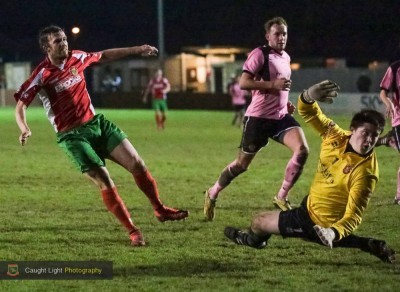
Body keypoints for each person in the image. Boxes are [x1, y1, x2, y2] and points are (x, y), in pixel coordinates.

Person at [14, 25, 189, 247]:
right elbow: (20, 105)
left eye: (65, 39)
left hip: (97, 125)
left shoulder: (77, 57)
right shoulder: (42, 74)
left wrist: (138, 49)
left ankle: (160, 209)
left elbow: (104, 55)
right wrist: (24, 128)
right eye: (58, 41)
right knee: (105, 180)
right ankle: (133, 231)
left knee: (137, 163)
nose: (64, 43)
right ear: (46, 47)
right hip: (72, 137)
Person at [224, 80, 396, 264]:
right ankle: (369, 244)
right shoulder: (335, 136)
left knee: (258, 222)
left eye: (375, 135)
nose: (370, 140)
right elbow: (309, 112)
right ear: (352, 130)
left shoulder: (366, 172)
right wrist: (307, 97)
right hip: (309, 206)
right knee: (308, 235)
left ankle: (250, 240)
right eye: (366, 133)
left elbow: (354, 215)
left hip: (318, 220)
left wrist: (333, 232)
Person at [204, 16, 307, 221]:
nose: (281, 37)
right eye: (277, 33)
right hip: (258, 119)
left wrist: (285, 103)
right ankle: (212, 192)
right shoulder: (260, 54)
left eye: (284, 33)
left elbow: (280, 86)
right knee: (241, 165)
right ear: (268, 36)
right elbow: (244, 82)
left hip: (280, 118)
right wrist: (272, 86)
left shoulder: (286, 57)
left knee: (302, 149)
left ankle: (281, 196)